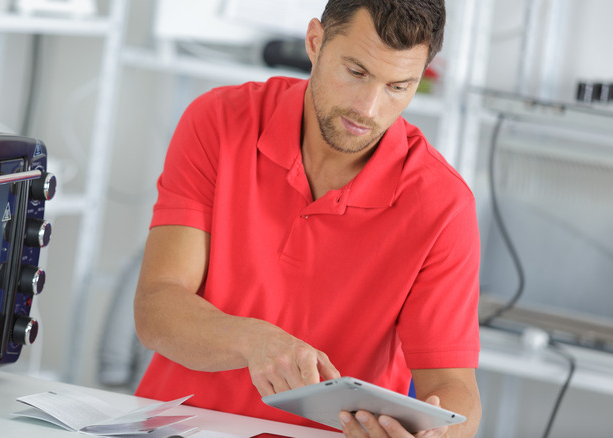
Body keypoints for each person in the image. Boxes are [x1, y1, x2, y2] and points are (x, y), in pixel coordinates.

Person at [133, 0, 482, 436]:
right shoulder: (219, 122)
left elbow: (453, 388)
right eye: (356, 72)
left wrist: (439, 433)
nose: (368, 109)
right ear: (315, 42)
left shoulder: (443, 205)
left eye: (398, 87)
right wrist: (255, 341)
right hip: (176, 428)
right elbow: (156, 309)